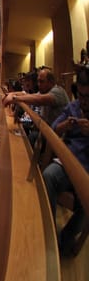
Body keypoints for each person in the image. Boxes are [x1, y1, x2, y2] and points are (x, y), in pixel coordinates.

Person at [42, 68, 89, 255]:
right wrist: (66, 125)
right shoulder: (74, 107)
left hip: (87, 171)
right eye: (82, 95)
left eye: (88, 96)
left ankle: (65, 238)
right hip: (67, 162)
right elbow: (54, 128)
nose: (84, 101)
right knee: (47, 176)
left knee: (85, 207)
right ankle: (50, 233)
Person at [3, 67, 69, 146]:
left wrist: (15, 98)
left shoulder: (58, 91)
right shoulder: (44, 91)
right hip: (46, 132)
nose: (38, 84)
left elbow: (39, 100)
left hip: (57, 138)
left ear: (51, 82)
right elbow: (28, 95)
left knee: (32, 136)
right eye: (38, 81)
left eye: (41, 82)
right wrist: (11, 94)